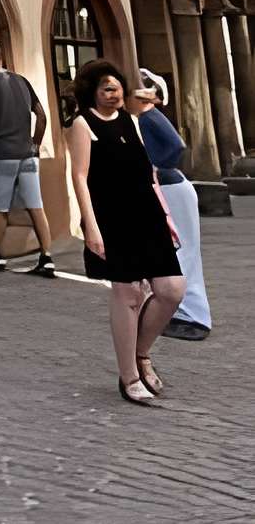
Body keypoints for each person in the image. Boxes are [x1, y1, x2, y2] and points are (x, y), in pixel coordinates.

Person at [67, 57, 184, 404]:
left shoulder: (132, 121)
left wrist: (167, 216)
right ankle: (129, 376)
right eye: (106, 88)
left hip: (147, 214)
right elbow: (80, 177)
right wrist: (90, 225)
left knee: (172, 289)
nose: (114, 92)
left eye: (117, 86)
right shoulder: (82, 125)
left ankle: (141, 352)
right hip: (112, 218)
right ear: (92, 92)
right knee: (128, 294)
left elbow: (150, 173)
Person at [127, 69, 210, 342]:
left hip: (171, 186)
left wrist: (155, 164)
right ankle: (184, 312)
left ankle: (192, 315)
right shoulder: (145, 118)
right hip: (169, 186)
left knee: (181, 250)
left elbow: (176, 146)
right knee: (177, 249)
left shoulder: (150, 117)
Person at [0, 39, 55, 276]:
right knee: (36, 206)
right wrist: (35, 143)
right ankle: (46, 257)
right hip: (27, 155)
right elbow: (42, 116)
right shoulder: (22, 81)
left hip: (0, 156)